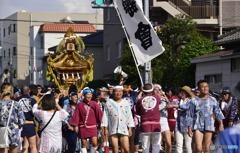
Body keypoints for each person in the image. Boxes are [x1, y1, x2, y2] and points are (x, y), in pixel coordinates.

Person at [188, 80, 225, 153]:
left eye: (206, 86)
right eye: (202, 87)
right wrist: (189, 128)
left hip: (209, 126)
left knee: (207, 149)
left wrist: (221, 124)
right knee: (198, 148)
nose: (205, 88)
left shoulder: (213, 100)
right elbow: (190, 115)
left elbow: (218, 112)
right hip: (197, 126)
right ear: (198, 89)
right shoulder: (194, 100)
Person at [101, 85, 135, 153]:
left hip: (124, 128)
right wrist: (104, 128)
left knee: (126, 148)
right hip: (113, 128)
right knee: (115, 148)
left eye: (120, 91)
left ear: (122, 92)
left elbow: (129, 115)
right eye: (116, 91)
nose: (118, 93)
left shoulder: (125, 102)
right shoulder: (109, 102)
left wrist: (130, 127)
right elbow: (105, 116)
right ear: (113, 92)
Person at [71, 88, 103, 153]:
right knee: (83, 144)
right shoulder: (79, 105)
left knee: (94, 143)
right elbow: (76, 115)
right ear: (84, 95)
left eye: (90, 94)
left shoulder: (94, 104)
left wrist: (101, 124)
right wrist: (76, 125)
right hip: (83, 126)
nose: (89, 96)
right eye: (87, 94)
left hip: (93, 126)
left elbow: (99, 114)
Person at [213, 81, 240, 153]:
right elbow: (218, 113)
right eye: (223, 94)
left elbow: (234, 111)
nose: (224, 96)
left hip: (233, 123)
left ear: (229, 94)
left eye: (226, 94)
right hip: (223, 124)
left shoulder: (234, 100)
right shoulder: (220, 102)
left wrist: (231, 120)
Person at [136, 83, 161, 153]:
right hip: (156, 125)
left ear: (143, 90)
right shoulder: (156, 97)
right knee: (156, 145)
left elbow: (138, 112)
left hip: (145, 126)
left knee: (145, 146)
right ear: (152, 90)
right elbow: (160, 102)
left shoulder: (140, 100)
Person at [0, 83, 25, 153]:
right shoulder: (16, 104)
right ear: (11, 92)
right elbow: (22, 121)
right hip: (13, 132)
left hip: (1, 133)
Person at [170, 86, 193, 153]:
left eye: (184, 92)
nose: (182, 93)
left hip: (188, 125)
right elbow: (170, 104)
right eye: (181, 92)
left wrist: (175, 106)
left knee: (188, 145)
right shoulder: (178, 101)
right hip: (178, 125)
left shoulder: (190, 101)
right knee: (178, 144)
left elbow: (186, 107)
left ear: (186, 93)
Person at [18, 85, 38, 153]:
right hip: (30, 124)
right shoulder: (32, 100)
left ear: (21, 91)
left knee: (25, 145)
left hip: (20, 125)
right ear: (29, 91)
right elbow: (36, 112)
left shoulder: (17, 100)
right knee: (33, 146)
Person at [153, 84, 172, 153]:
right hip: (156, 122)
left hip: (164, 121)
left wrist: (165, 98)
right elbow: (157, 108)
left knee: (169, 144)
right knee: (157, 145)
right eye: (155, 89)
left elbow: (170, 105)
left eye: (159, 89)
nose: (157, 91)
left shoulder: (164, 99)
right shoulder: (152, 99)